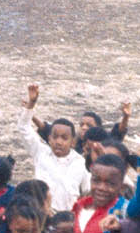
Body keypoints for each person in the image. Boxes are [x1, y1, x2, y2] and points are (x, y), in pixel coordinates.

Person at [18, 83, 89, 212]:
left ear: (73, 142)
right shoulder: (40, 152)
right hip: (41, 213)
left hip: (68, 217)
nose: (59, 142)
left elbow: (88, 190)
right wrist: (31, 104)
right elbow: (24, 128)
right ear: (49, 138)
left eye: (64, 138)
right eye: (55, 137)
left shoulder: (80, 162)